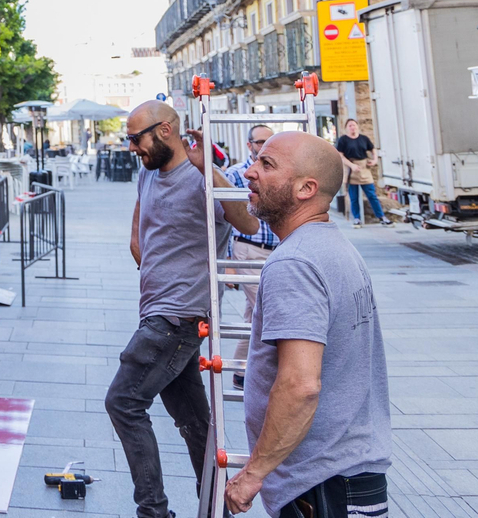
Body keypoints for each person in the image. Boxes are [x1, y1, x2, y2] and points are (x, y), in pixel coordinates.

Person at [108, 101, 261, 518]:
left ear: (165, 131)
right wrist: (147, 257)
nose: (131, 147)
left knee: (123, 401)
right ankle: (216, 508)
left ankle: (153, 512)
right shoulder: (148, 173)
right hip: (160, 310)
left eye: (135, 138)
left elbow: (248, 225)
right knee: (196, 423)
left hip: (178, 317)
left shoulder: (200, 178)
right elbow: (141, 231)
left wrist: (207, 168)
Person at [225, 132, 391, 517]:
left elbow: (300, 384)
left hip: (324, 484)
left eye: (267, 165)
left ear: (305, 188)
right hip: (346, 476)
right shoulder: (333, 247)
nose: (250, 172)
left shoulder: (294, 263)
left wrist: (253, 474)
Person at [224, 125, 278, 386]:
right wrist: (230, 263)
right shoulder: (235, 174)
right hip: (248, 249)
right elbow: (223, 220)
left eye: (271, 140)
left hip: (275, 252)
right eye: (260, 142)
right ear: (249, 145)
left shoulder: (278, 171)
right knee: (269, 311)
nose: (266, 145)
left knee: (253, 315)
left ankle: (241, 372)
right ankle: (269, 376)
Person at [336, 119, 392, 228]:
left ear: (357, 126)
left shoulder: (363, 139)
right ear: (346, 128)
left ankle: (382, 217)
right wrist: (351, 165)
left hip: (364, 169)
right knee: (354, 197)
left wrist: (375, 160)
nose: (353, 127)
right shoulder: (343, 140)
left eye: (354, 125)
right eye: (350, 125)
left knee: (372, 195)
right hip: (352, 170)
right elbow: (340, 155)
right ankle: (357, 218)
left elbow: (372, 149)